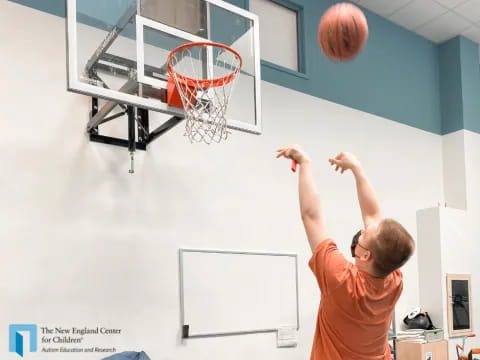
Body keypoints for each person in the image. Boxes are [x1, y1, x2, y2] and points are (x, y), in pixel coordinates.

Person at [276, 146, 415, 360]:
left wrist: (305, 163)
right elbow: (373, 214)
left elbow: (311, 216)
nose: (362, 230)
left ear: (366, 255)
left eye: (364, 234)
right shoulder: (394, 280)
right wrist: (356, 169)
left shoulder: (341, 280)